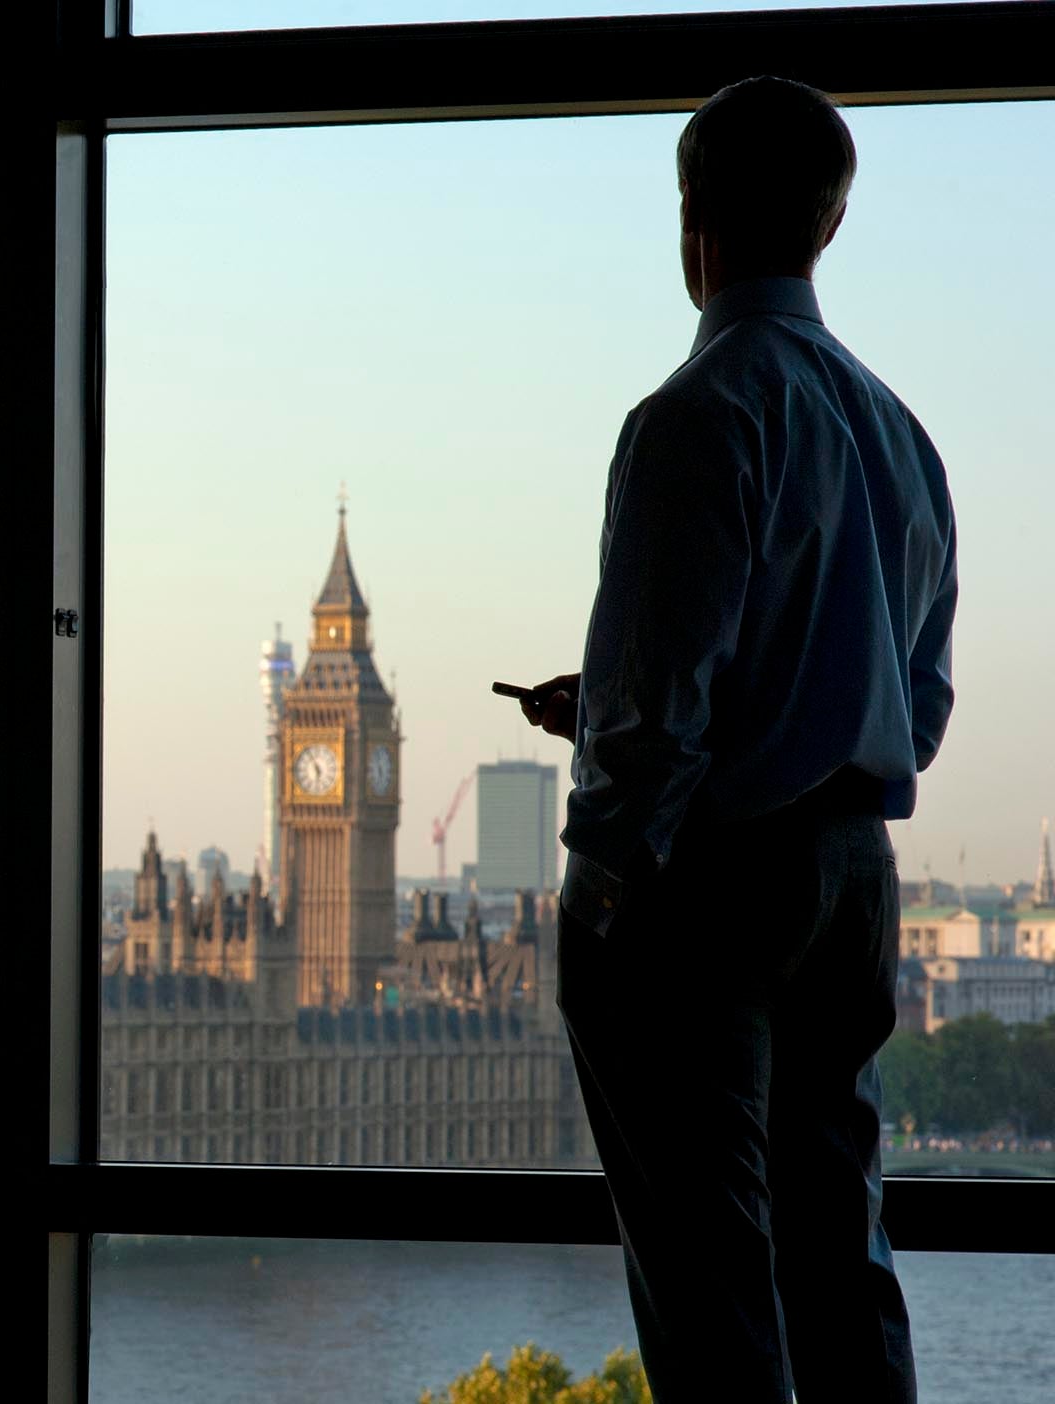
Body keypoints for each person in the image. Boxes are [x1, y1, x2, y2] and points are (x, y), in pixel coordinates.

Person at [517, 76, 955, 1403]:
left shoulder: (691, 418)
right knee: (839, 1247)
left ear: (691, 222)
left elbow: (654, 718)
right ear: (830, 224)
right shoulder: (902, 436)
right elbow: (913, 704)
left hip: (713, 885)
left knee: (711, 1279)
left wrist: (595, 908)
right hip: (855, 877)